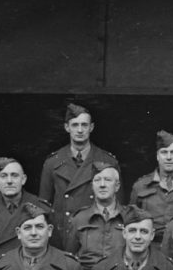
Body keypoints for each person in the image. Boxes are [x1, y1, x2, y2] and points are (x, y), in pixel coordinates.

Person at [39, 102, 119, 238]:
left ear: (91, 127)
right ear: (67, 127)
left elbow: (117, 206)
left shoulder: (108, 161)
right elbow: (43, 206)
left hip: (96, 234)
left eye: (84, 125)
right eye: (75, 125)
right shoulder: (52, 163)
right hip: (63, 234)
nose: (80, 130)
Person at [0, 157, 53, 263]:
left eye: (14, 175)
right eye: (3, 176)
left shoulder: (43, 209)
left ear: (23, 179)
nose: (9, 181)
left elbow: (54, 252)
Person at [62, 160, 126, 270]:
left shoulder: (128, 217)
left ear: (117, 186)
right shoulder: (79, 219)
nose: (102, 185)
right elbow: (69, 258)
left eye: (107, 180)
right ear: (92, 186)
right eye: (97, 180)